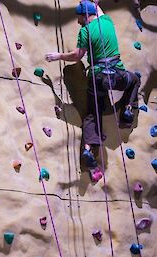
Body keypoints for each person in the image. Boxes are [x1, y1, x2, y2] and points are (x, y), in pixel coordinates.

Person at [45, 0, 140, 169]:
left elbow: (76, 56)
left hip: (98, 78)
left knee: (92, 114)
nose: (78, 21)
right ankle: (127, 111)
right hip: (118, 75)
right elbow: (97, 8)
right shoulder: (107, 22)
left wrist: (58, 56)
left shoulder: (85, 31)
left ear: (86, 15)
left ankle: (88, 149)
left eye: (80, 17)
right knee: (134, 81)